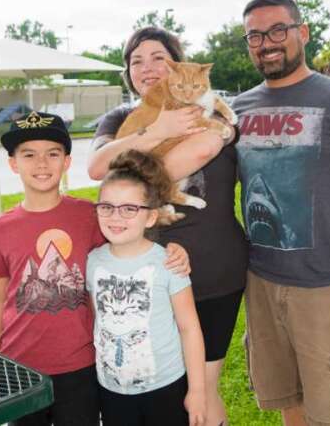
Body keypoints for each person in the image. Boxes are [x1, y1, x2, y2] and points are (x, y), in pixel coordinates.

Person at [232, 0, 330, 426]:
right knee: (290, 401)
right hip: (261, 283)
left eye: (278, 30)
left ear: (302, 32)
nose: (267, 43)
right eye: (254, 36)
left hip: (326, 287)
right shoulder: (238, 109)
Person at [0, 111, 189, 426]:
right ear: (13, 163)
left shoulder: (88, 215)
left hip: (80, 364)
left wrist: (174, 250)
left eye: (52, 154)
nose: (41, 163)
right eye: (29, 154)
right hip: (19, 367)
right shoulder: (0, 228)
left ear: (66, 162)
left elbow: (128, 244)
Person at [88, 27, 248, 426]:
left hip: (213, 268)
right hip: (151, 274)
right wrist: (158, 131)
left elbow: (204, 146)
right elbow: (97, 169)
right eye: (136, 60)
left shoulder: (213, 110)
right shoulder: (121, 118)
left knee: (204, 385)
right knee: (166, 388)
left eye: (159, 57)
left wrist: (136, 170)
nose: (147, 68)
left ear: (178, 64)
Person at [87, 149, 206, 426]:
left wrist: (198, 391)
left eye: (130, 208)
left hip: (166, 387)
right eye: (107, 207)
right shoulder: (93, 262)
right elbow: (98, 319)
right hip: (112, 390)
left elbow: (189, 328)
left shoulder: (168, 262)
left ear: (151, 217)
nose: (116, 217)